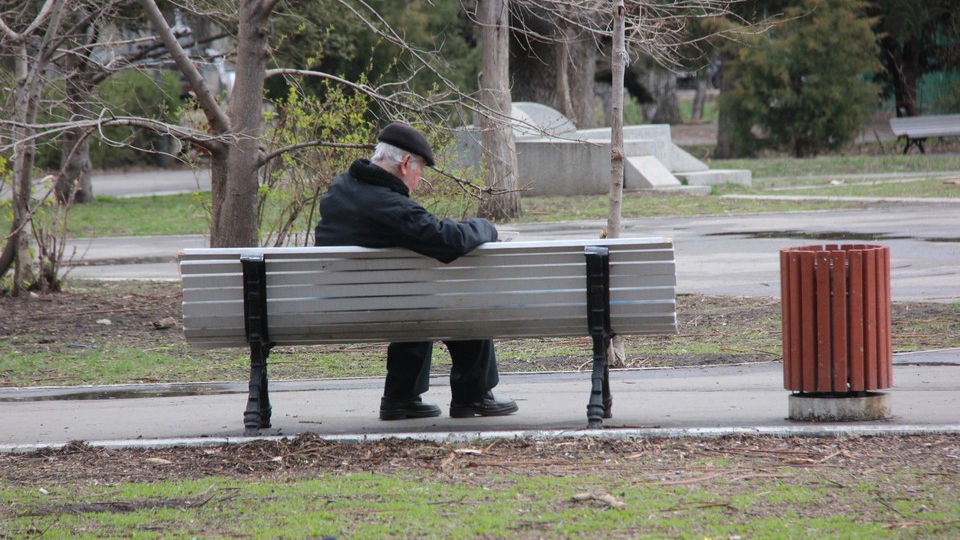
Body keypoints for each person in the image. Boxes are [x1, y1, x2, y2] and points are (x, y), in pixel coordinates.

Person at [314, 122, 518, 421]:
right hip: (378, 309)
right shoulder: (387, 205)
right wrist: (486, 226)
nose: (420, 181)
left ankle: (401, 397)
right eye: (420, 170)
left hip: (342, 304)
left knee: (413, 291)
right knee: (460, 299)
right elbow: (449, 241)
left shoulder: (342, 188)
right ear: (406, 162)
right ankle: (473, 397)